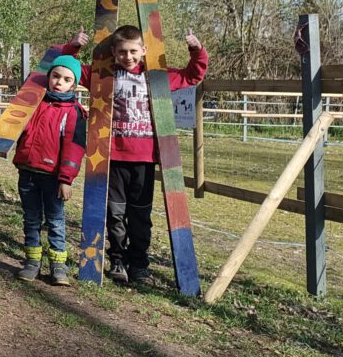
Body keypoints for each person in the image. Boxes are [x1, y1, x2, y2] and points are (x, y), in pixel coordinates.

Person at [72, 25, 208, 284]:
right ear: (113, 52)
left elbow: (193, 75)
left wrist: (196, 49)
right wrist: (75, 47)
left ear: (144, 50)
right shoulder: (104, 77)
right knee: (115, 213)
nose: (128, 56)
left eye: (134, 51)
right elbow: (70, 69)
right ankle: (118, 259)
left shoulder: (157, 78)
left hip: (144, 159)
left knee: (140, 216)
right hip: (112, 157)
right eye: (122, 51)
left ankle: (139, 265)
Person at [12, 55, 86, 286]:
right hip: (28, 171)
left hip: (54, 177)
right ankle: (32, 262)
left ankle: (58, 265)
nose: (59, 82)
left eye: (66, 79)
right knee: (31, 218)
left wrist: (66, 180)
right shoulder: (34, 103)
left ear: (73, 85)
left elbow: (74, 149)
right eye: (55, 76)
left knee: (55, 220)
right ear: (49, 76)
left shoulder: (75, 112)